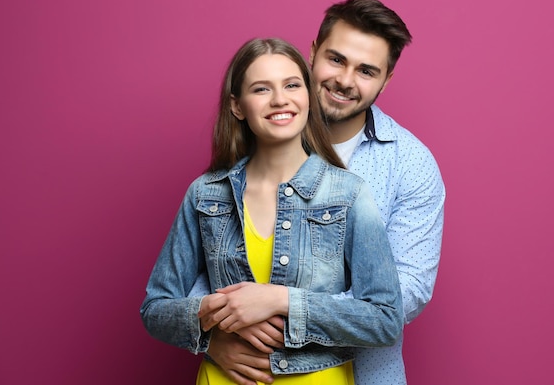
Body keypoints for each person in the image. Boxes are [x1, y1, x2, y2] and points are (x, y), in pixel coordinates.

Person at [201, 0, 446, 385]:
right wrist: (210, 333)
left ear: (386, 80)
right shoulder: (259, 132)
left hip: (365, 375)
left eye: (367, 71)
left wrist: (280, 310)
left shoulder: (411, 165)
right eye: (336, 59)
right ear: (312, 53)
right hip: (242, 373)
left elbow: (405, 293)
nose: (345, 81)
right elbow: (205, 260)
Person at [140, 37, 404, 384]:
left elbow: (385, 319)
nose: (280, 99)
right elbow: (155, 308)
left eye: (292, 85)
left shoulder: (347, 194)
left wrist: (281, 300)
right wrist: (210, 323)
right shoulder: (205, 194)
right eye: (262, 89)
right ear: (238, 106)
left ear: (307, 95)